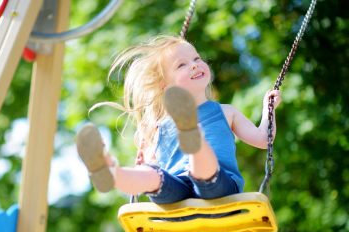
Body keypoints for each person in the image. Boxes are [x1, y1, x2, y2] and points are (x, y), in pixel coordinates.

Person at [76, 35, 282, 204]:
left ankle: (195, 140)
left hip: (220, 188)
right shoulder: (159, 126)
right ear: (165, 86)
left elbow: (263, 139)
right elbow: (152, 165)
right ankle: (112, 173)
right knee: (152, 176)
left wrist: (268, 110)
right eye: (182, 65)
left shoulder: (225, 112)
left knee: (204, 174)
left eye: (197, 59)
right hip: (176, 194)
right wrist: (144, 161)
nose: (194, 65)